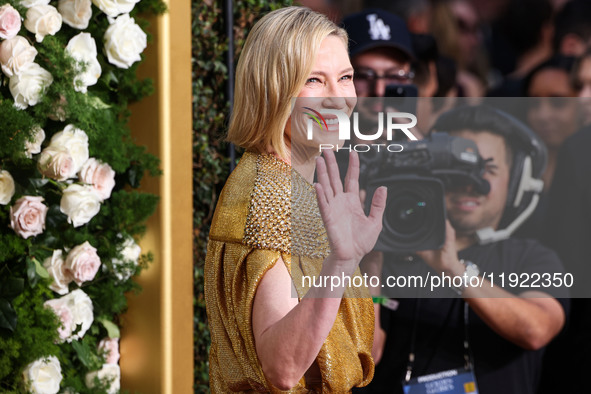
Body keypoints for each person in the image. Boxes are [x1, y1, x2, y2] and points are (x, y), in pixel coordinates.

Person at [204, 6, 387, 392]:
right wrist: (342, 262)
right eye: (315, 81)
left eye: (346, 77)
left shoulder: (294, 184)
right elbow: (284, 367)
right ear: (272, 89)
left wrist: (359, 260)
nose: (339, 99)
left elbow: (358, 348)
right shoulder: (270, 196)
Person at [363, 106, 568, 394]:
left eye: (487, 169)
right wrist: (370, 266)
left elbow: (536, 330)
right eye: (457, 168)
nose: (469, 184)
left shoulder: (531, 257)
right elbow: (364, 359)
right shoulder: (384, 253)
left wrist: (453, 269)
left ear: (516, 183)